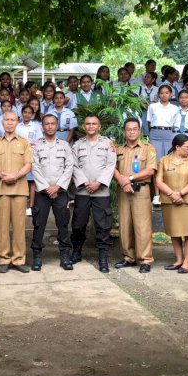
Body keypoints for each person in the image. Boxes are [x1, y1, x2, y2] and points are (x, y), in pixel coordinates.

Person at [70, 115, 117, 272]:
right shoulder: (77, 145)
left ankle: (102, 257)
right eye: (88, 124)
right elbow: (74, 166)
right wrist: (84, 183)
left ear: (99, 127)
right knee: (78, 223)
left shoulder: (108, 144)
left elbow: (111, 165)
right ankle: (76, 252)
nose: (91, 126)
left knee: (103, 225)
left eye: (94, 124)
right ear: (84, 127)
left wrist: (98, 183)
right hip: (82, 191)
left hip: (101, 191)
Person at [0, 110, 33, 273]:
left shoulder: (24, 142)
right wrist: (0, 175)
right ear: (2, 122)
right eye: (6, 120)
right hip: (2, 189)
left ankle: (19, 259)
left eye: (12, 120)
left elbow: (28, 164)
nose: (9, 123)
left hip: (20, 189)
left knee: (20, 226)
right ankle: (4, 258)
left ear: (17, 122)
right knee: (2, 226)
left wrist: (15, 176)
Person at [30, 114, 74, 271]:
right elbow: (34, 167)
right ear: (42, 126)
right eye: (47, 124)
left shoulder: (65, 145)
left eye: (52, 124)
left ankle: (65, 255)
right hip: (42, 192)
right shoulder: (35, 146)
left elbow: (69, 167)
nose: (49, 126)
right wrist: (46, 188)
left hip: (60, 192)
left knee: (62, 224)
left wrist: (58, 187)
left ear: (57, 126)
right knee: (38, 224)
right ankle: (37, 256)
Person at [113, 118, 157, 273]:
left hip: (141, 190)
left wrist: (129, 179)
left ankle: (145, 259)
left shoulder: (148, 148)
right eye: (128, 129)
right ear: (124, 131)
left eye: (134, 129)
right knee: (125, 225)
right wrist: (123, 182)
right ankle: (128, 257)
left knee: (142, 226)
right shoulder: (118, 149)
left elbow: (150, 170)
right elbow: (113, 168)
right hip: (123, 190)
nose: (131, 132)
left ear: (139, 131)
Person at [155, 133, 188, 273]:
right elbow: (158, 180)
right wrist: (172, 194)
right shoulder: (164, 160)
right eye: (187, 147)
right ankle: (178, 259)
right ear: (177, 147)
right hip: (170, 201)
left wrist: (180, 193)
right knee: (174, 231)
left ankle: (187, 261)